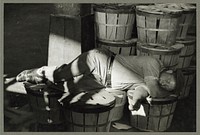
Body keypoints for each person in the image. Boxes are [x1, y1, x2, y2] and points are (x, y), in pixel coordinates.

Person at [16, 47, 183, 111]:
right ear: (169, 70)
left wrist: (135, 103)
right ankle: (39, 72)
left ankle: (41, 79)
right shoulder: (153, 64)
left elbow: (142, 91)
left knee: (68, 88)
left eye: (168, 86)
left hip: (102, 82)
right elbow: (154, 91)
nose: (165, 83)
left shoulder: (149, 82)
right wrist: (164, 94)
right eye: (169, 80)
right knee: (62, 75)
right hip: (99, 60)